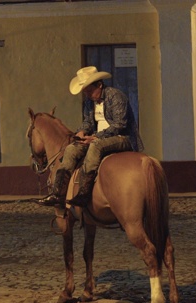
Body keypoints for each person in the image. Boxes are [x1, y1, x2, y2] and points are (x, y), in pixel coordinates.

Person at [35, 66, 144, 207]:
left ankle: (84, 193)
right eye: (85, 91)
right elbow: (88, 122)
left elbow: (120, 124)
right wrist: (81, 132)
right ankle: (58, 193)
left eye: (89, 90)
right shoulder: (89, 102)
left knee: (95, 146)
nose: (87, 94)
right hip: (99, 137)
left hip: (122, 137)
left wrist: (96, 137)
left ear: (99, 85)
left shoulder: (116, 96)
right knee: (71, 149)